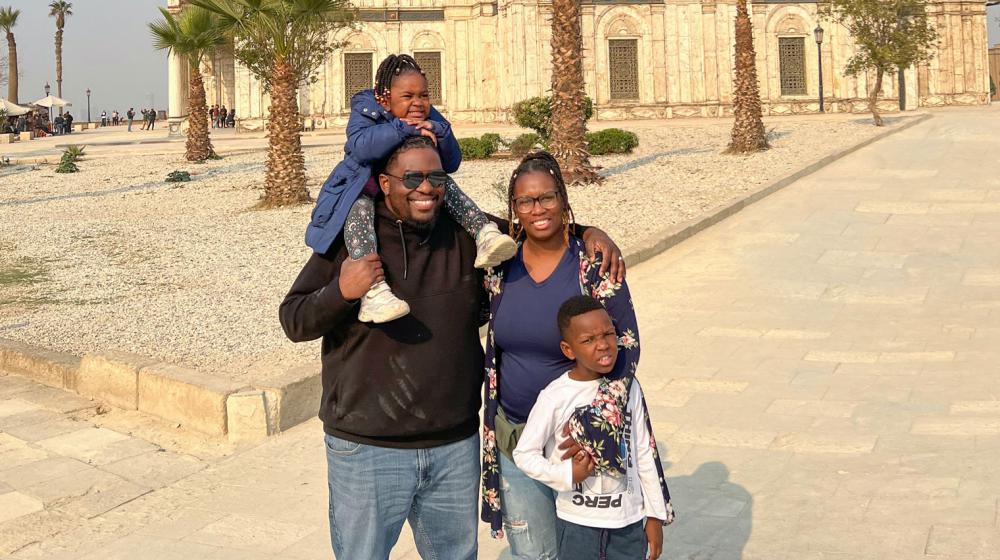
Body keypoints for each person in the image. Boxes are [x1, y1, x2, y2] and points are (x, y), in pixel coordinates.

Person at [280, 136, 625, 560]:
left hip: (453, 448)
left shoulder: (467, 234)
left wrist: (588, 231)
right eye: (411, 178)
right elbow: (293, 319)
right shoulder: (351, 243)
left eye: (436, 177)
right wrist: (342, 291)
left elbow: (534, 226)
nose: (426, 188)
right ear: (384, 184)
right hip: (368, 449)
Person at [479, 151, 674, 557]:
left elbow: (627, 345)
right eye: (525, 202)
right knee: (534, 552)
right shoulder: (499, 262)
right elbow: (448, 204)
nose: (538, 209)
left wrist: (596, 424)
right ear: (513, 209)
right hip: (518, 438)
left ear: (564, 200)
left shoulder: (593, 263)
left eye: (547, 198)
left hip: (580, 443)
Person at [306, 53, 516, 324]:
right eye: (408, 96)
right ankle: (373, 292)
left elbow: (451, 162)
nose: (418, 103)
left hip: (409, 185)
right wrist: (404, 129)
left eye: (424, 95)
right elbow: (360, 145)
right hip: (364, 188)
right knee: (359, 212)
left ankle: (484, 234)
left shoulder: (426, 113)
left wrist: (438, 131)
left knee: (440, 180)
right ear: (384, 97)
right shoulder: (365, 107)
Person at [513, 296, 668, 559]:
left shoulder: (628, 388)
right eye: (588, 340)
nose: (603, 345)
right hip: (577, 524)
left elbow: (643, 450)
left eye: (608, 334)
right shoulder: (556, 396)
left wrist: (655, 515)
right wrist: (566, 474)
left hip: (628, 523)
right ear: (568, 349)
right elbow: (524, 454)